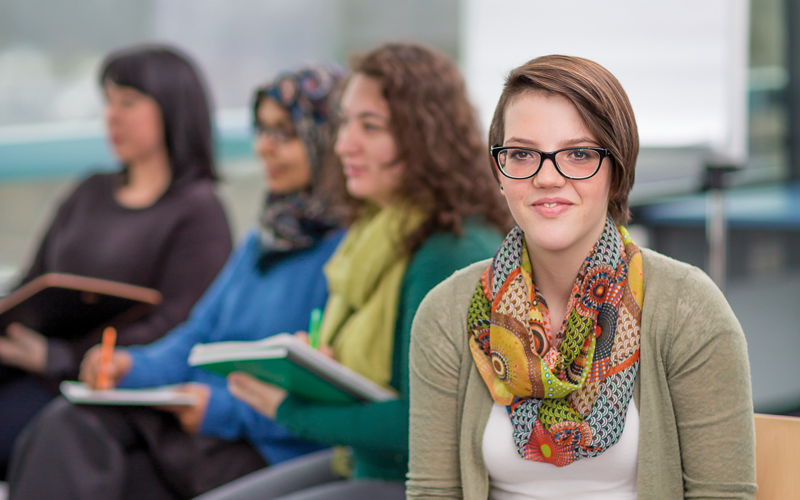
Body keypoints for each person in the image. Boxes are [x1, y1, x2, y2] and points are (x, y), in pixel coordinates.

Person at [405, 55, 758, 499]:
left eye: (578, 154)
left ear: (617, 170)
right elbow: (432, 493)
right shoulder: (447, 312)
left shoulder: (689, 308)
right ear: (499, 171)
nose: (547, 177)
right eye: (521, 153)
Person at [6, 65, 346, 500]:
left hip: (262, 451)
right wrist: (132, 366)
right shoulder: (262, 242)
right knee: (68, 426)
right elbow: (197, 336)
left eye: (285, 133)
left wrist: (221, 411)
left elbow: (327, 397)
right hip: (200, 434)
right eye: (261, 130)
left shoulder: (346, 252)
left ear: (331, 139)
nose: (264, 147)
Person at [194, 43, 513, 500]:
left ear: (424, 136)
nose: (344, 144)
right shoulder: (373, 231)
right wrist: (319, 373)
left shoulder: (449, 250)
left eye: (370, 126)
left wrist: (291, 410)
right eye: (345, 122)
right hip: (368, 463)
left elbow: (430, 424)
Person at [0, 44, 232, 478]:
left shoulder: (198, 210)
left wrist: (60, 356)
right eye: (108, 102)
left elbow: (179, 326)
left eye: (128, 102)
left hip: (95, 390)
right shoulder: (89, 190)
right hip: (27, 366)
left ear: (171, 110)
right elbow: (32, 280)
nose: (112, 116)